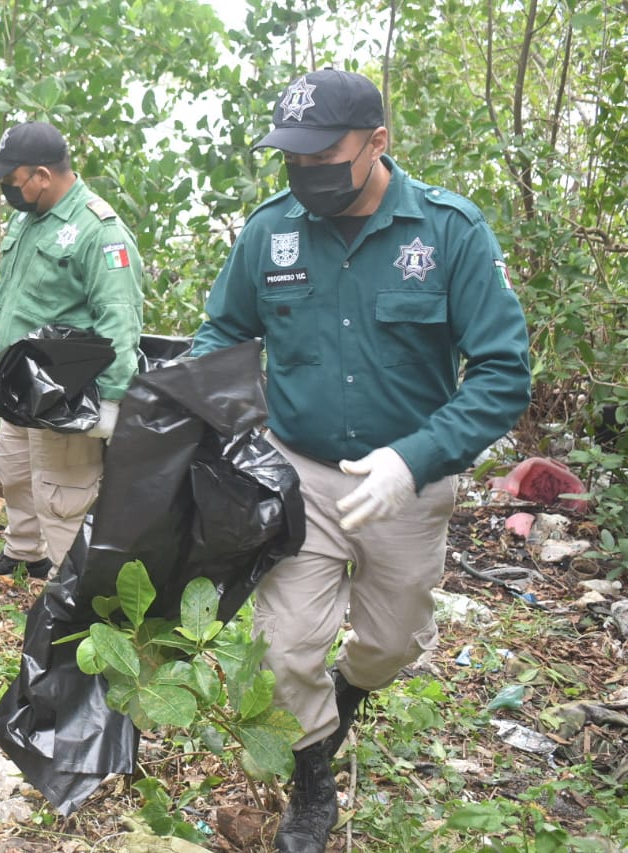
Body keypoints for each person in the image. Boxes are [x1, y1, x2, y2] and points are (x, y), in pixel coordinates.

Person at [189, 69, 531, 852]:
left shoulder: (449, 232)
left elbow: (504, 371)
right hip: (297, 469)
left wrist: (414, 461)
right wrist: (212, 416)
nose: (307, 175)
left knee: (390, 643)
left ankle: (349, 692)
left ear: (378, 142)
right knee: (284, 649)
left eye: (324, 157)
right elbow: (224, 335)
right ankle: (311, 782)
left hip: (408, 475)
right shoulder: (269, 231)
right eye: (292, 160)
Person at [0, 121, 144, 579]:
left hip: (64, 388)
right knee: (16, 469)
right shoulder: (26, 219)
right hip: (19, 380)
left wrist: (109, 401)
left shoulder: (99, 231)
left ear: (42, 176)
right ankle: (24, 551)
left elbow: (119, 321)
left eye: (11, 181)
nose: (7, 190)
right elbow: (9, 294)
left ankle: (70, 582)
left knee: (62, 491)